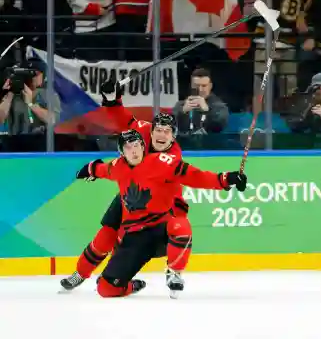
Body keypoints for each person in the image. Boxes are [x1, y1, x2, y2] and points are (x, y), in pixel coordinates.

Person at [73, 129, 247, 298]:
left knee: (180, 224)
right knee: (105, 289)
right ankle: (132, 285)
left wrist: (226, 179)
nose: (133, 151)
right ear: (121, 153)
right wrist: (89, 169)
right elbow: (101, 169)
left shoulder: (163, 162)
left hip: (161, 230)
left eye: (136, 145)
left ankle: (174, 273)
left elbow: (196, 176)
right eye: (127, 147)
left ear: (143, 146)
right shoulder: (117, 167)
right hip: (135, 238)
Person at [60, 79, 188, 291]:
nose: (161, 135)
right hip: (132, 195)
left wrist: (99, 169)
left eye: (167, 132)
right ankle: (80, 273)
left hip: (161, 203)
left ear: (173, 135)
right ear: (151, 129)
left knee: (170, 232)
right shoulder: (144, 130)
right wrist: (112, 100)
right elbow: (125, 121)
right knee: (105, 235)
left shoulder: (173, 155)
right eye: (158, 130)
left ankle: (172, 272)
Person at [173, 67, 229, 134]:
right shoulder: (180, 105)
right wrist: (182, 112)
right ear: (191, 86)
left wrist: (207, 111)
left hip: (210, 143)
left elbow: (219, 127)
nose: (200, 89)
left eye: (204, 86)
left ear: (210, 86)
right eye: (196, 85)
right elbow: (170, 127)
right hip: (185, 143)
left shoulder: (219, 106)